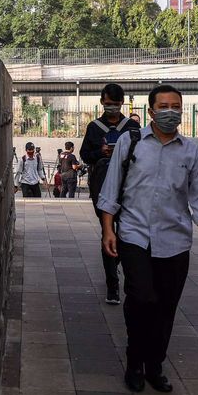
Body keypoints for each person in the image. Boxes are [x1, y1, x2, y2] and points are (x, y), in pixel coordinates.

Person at [99, 85, 198, 393]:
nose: (170, 111)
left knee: (165, 307)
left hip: (175, 241)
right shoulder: (131, 142)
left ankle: (155, 365)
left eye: (175, 106)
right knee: (142, 298)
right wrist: (108, 230)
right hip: (134, 235)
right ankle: (134, 361)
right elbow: (111, 190)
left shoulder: (190, 151)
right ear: (151, 111)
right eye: (163, 106)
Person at [81, 83, 141, 304]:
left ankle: (118, 266)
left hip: (128, 188)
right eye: (108, 104)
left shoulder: (132, 128)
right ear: (101, 102)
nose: (112, 108)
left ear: (122, 103)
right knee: (108, 230)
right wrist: (101, 152)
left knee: (125, 232)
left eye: (115, 104)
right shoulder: (94, 127)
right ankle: (112, 285)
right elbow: (85, 155)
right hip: (102, 186)